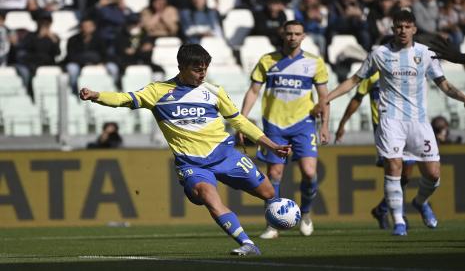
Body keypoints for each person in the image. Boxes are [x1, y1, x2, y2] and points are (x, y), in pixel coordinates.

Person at [79, 43, 291, 255]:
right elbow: (124, 99)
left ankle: (278, 220)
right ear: (181, 67)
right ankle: (248, 244)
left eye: (205, 69)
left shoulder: (214, 92)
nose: (202, 74)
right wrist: (97, 95)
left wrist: (272, 146)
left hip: (226, 156)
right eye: (197, 69)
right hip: (192, 164)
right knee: (209, 197)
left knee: (269, 192)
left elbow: (240, 122)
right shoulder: (157, 92)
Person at [316, 10, 465, 236]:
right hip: (390, 120)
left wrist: (463, 97)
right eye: (398, 27)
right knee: (394, 168)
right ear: (392, 29)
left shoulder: (425, 54)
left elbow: (444, 85)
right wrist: (328, 97)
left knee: (433, 174)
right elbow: (354, 80)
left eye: (407, 27)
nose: (402, 31)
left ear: (414, 29)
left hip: (419, 122)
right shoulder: (380, 54)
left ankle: (420, 202)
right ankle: (398, 222)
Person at [239, 20, 330, 239]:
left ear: (303, 36)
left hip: (303, 124)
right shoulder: (268, 60)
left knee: (309, 173)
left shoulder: (314, 62)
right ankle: (272, 225)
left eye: (297, 33)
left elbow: (324, 96)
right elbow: (253, 91)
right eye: (289, 33)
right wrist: (241, 121)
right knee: (274, 174)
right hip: (274, 125)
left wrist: (325, 125)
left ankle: (306, 214)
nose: (292, 37)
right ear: (283, 34)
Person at [334, 71, 415, 229]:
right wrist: (342, 124)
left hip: (406, 126)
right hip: (384, 130)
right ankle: (399, 214)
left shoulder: (405, 71)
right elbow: (357, 98)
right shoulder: (372, 75)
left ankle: (382, 209)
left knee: (406, 174)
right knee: (394, 171)